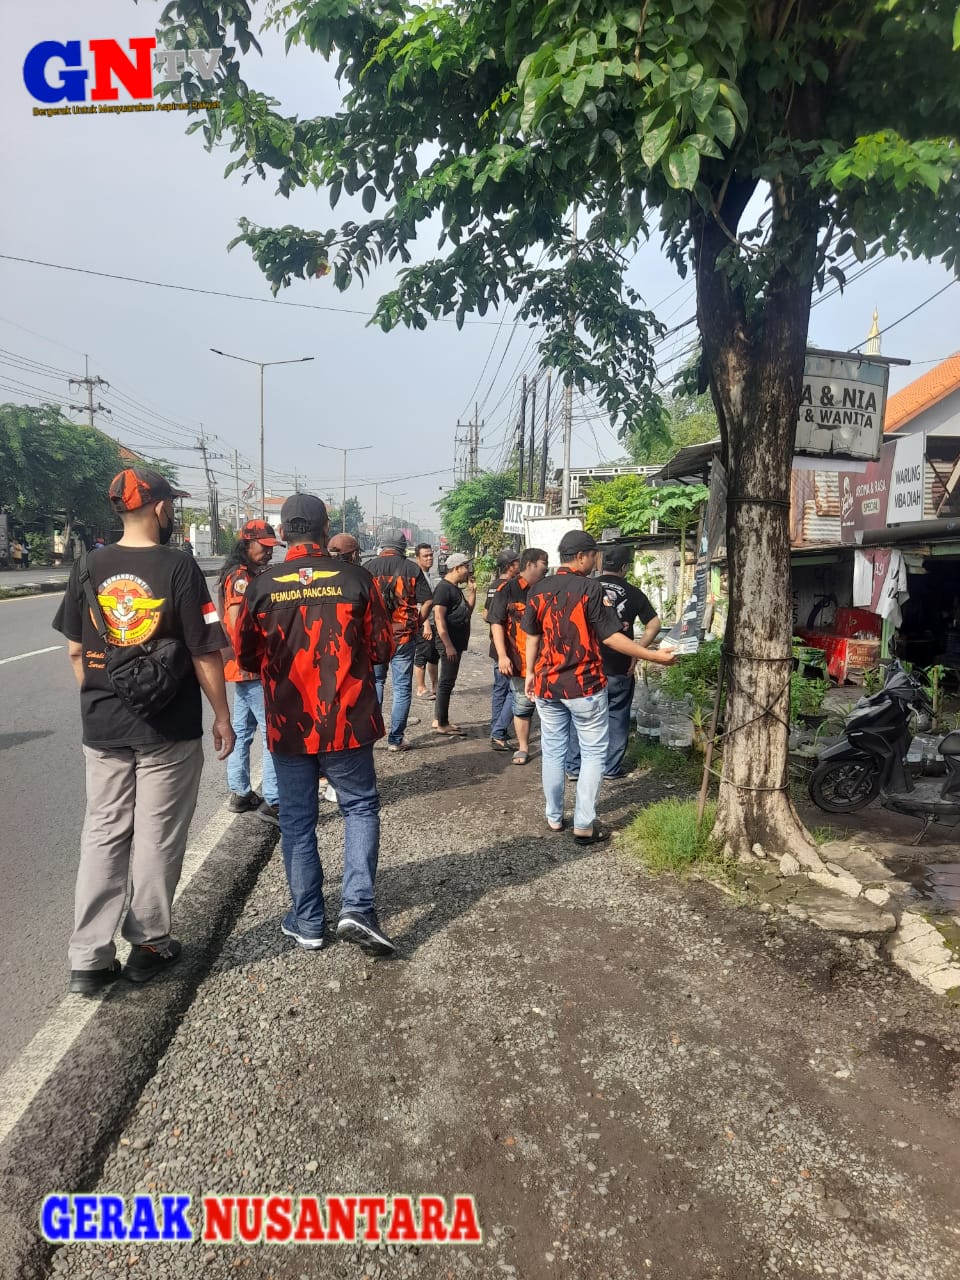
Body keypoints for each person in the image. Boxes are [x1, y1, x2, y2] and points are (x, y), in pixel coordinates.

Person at [52, 467, 235, 995]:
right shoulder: (179, 567)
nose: (172, 511)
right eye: (170, 504)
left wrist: (100, 701)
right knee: (156, 834)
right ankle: (149, 943)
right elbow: (204, 649)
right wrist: (221, 715)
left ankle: (88, 957)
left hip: (103, 726)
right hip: (168, 729)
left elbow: (73, 649)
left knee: (103, 832)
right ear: (158, 507)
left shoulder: (87, 565)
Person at [236, 493, 397, 955]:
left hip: (289, 725)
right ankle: (357, 909)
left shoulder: (262, 587)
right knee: (359, 808)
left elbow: (246, 656)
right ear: (327, 530)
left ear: (283, 534)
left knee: (299, 822)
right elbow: (383, 647)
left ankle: (308, 922)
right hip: (347, 722)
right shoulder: (356, 579)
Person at [522, 530, 674, 843]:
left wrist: (529, 673)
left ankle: (553, 817)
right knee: (593, 753)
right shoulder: (589, 589)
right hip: (583, 685)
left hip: (547, 684)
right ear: (581, 556)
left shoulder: (538, 589)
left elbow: (532, 636)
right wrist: (653, 655)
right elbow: (611, 636)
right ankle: (583, 823)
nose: (595, 561)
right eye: (593, 555)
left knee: (553, 751)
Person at [565, 546, 660, 781]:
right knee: (617, 716)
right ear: (625, 568)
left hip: (586, 667)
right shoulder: (634, 592)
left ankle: (575, 767)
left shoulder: (585, 587)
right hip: (620, 666)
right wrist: (637, 652)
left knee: (582, 718)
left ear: (599, 563)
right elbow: (654, 624)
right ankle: (610, 768)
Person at [218, 519, 282, 823]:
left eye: (271, 548)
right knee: (272, 734)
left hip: (241, 668)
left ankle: (240, 792)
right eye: (264, 547)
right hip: (252, 667)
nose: (269, 553)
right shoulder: (241, 579)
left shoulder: (244, 574)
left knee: (242, 732)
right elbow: (237, 623)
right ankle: (274, 799)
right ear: (247, 544)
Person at [366, 533, 433, 752]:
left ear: (383, 546)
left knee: (376, 682)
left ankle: (370, 736)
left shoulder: (368, 568)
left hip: (375, 637)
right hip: (403, 635)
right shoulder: (412, 569)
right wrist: (418, 621)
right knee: (402, 687)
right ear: (403, 548)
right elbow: (428, 600)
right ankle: (396, 740)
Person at [488, 547, 548, 765]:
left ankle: (556, 750)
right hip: (520, 658)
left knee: (551, 707)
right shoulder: (508, 590)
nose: (547, 568)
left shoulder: (547, 589)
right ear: (530, 564)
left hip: (548, 661)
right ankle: (523, 747)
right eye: (544, 564)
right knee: (522, 704)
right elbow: (496, 622)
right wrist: (502, 655)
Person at [431, 552, 476, 736]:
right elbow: (439, 618)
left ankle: (438, 719)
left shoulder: (455, 588)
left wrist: (472, 593)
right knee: (446, 683)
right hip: (448, 642)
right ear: (457, 568)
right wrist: (448, 644)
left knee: (446, 682)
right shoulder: (444, 588)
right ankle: (442, 723)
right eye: (466, 567)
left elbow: (467, 612)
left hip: (455, 642)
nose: (468, 571)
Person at [483, 549, 521, 750]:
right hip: (508, 646)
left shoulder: (494, 585)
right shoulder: (509, 587)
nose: (520, 565)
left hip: (496, 646)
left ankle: (496, 729)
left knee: (500, 689)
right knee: (515, 691)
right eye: (517, 562)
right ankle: (499, 731)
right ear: (509, 566)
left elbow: (486, 614)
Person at [412, 543, 441, 700]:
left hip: (433, 622)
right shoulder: (418, 577)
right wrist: (425, 625)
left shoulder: (429, 575)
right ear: (418, 558)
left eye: (431, 555)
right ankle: (421, 688)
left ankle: (435, 685)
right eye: (425, 556)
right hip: (425, 623)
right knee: (422, 654)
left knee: (434, 655)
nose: (429, 558)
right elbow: (419, 604)